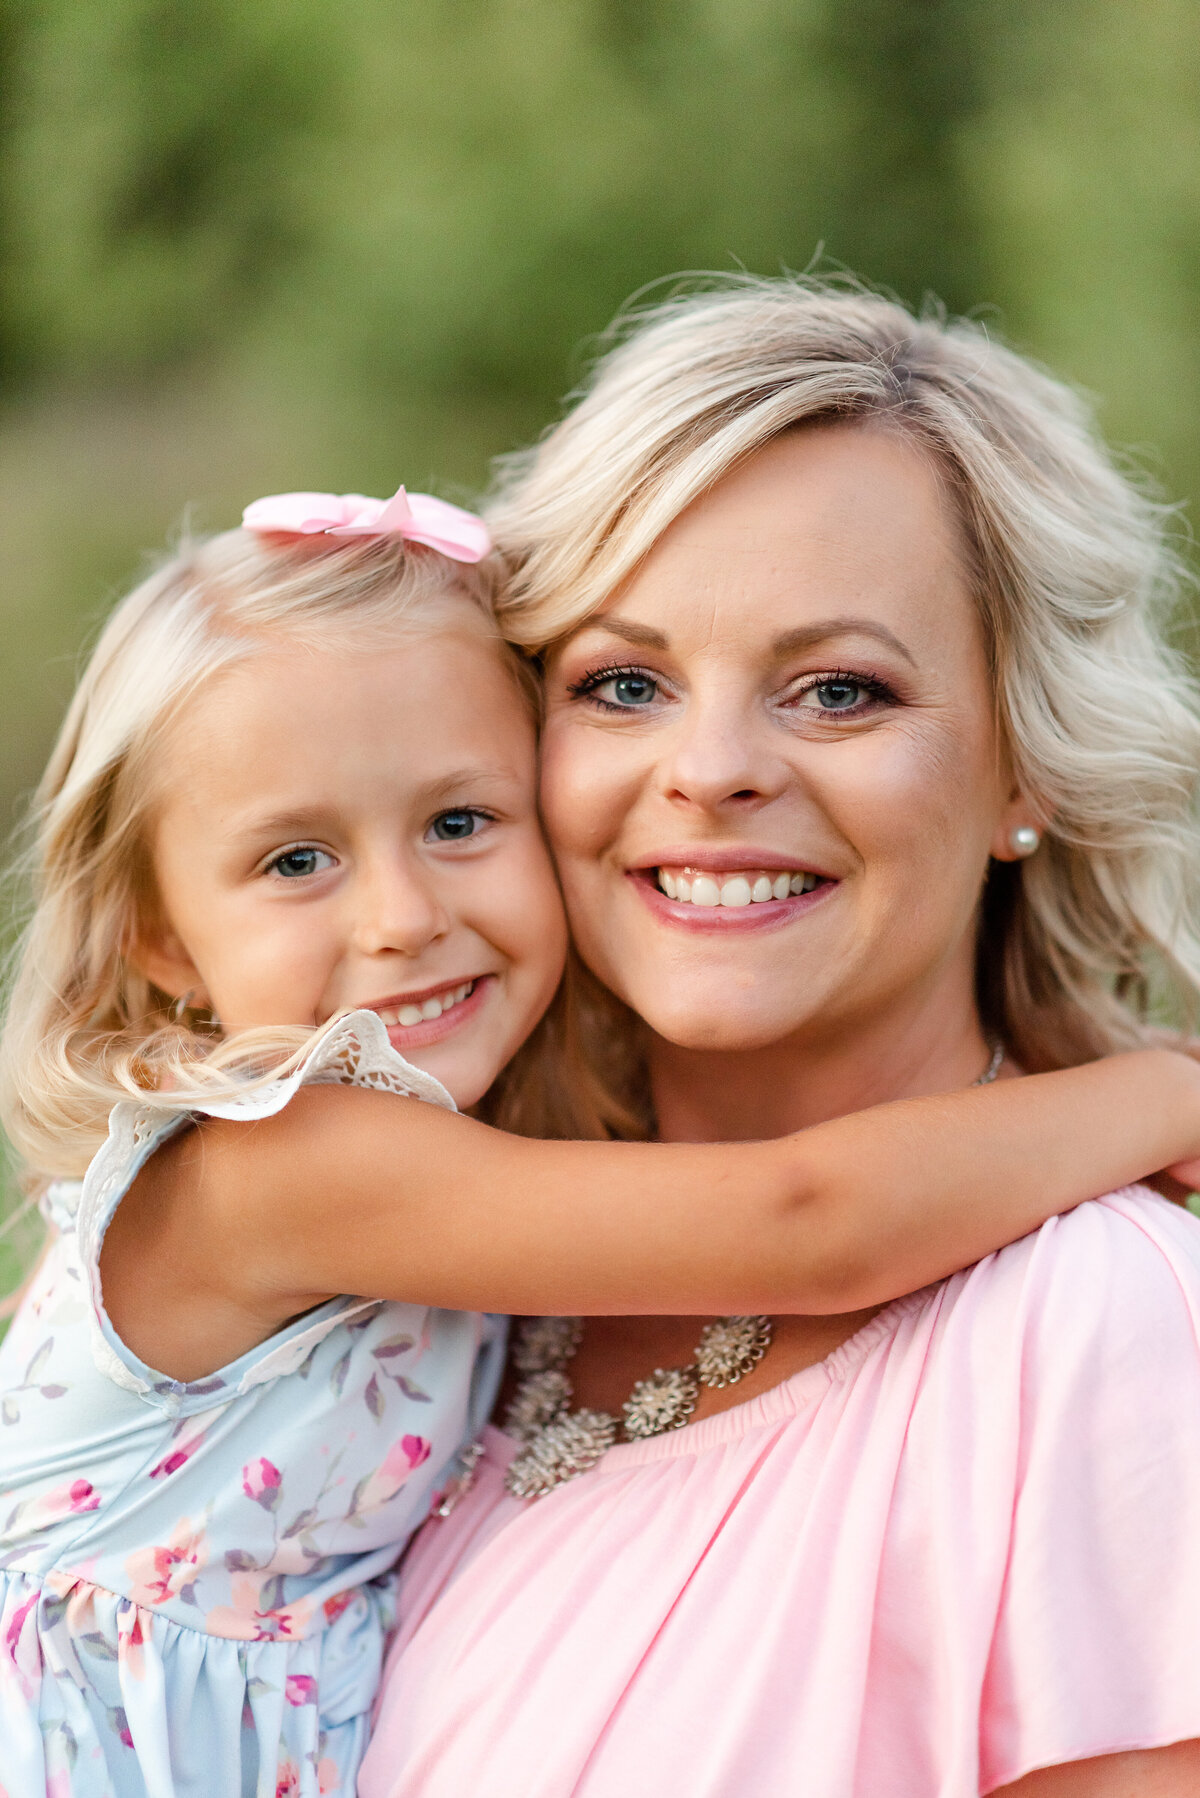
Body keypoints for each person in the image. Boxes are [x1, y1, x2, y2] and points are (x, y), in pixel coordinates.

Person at [6, 481, 1194, 1795]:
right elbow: (804, 1221)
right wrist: (1165, 1095)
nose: (402, 916)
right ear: (161, 936)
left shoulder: (1098, 1316)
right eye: (297, 860)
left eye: (461, 823)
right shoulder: (276, 1161)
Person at [356, 280, 1200, 1797]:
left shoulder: (1103, 1332)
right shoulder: (432, 1303)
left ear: (1031, 767)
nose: (715, 769)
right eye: (625, 683)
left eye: (839, 690)